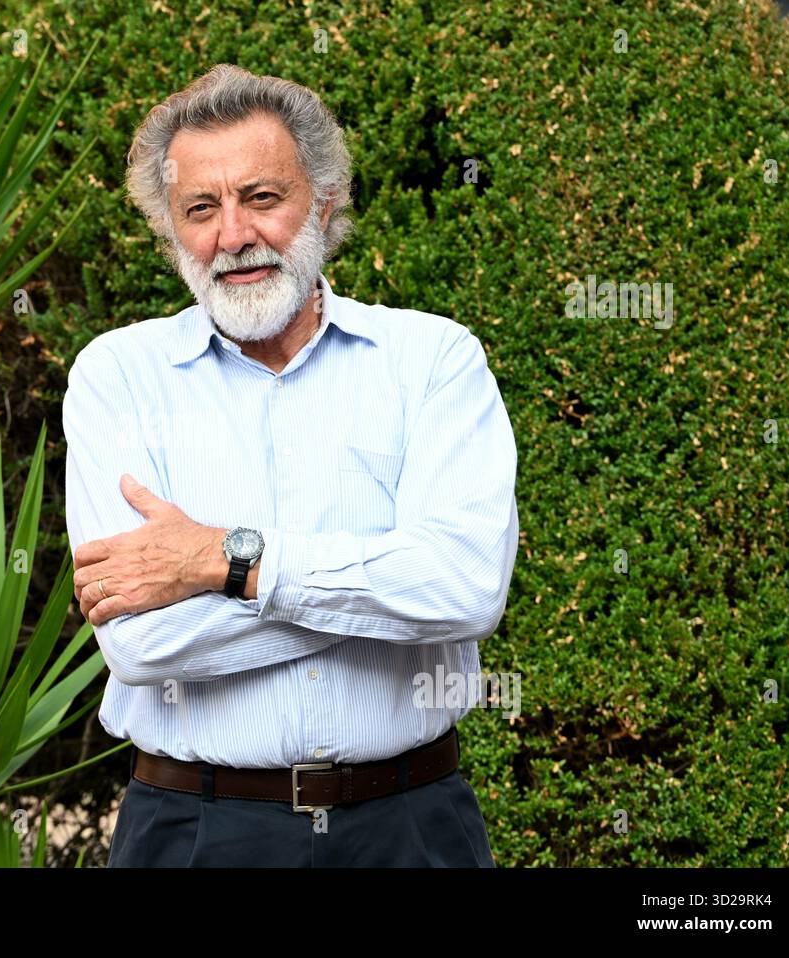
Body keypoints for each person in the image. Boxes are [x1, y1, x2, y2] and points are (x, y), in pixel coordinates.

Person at [62, 64, 519, 867]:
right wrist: (378, 592)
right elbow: (140, 646)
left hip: (410, 827)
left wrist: (221, 560)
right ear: (172, 234)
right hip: (195, 831)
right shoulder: (117, 377)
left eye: (262, 198)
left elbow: (465, 586)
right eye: (200, 209)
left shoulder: (432, 359)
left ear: (325, 203)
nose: (233, 235)